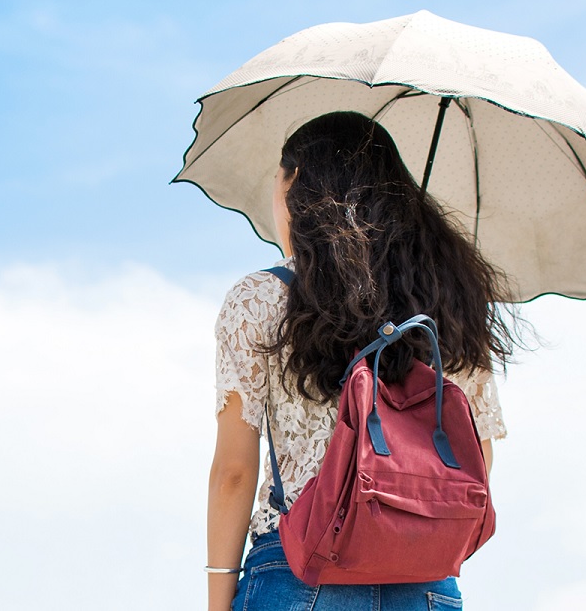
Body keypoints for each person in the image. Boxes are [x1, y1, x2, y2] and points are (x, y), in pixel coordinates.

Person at [206, 111, 517, 611]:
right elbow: (479, 457)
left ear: (297, 183)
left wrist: (218, 600)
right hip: (425, 582)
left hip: (297, 572)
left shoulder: (261, 298)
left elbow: (234, 473)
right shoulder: (452, 301)